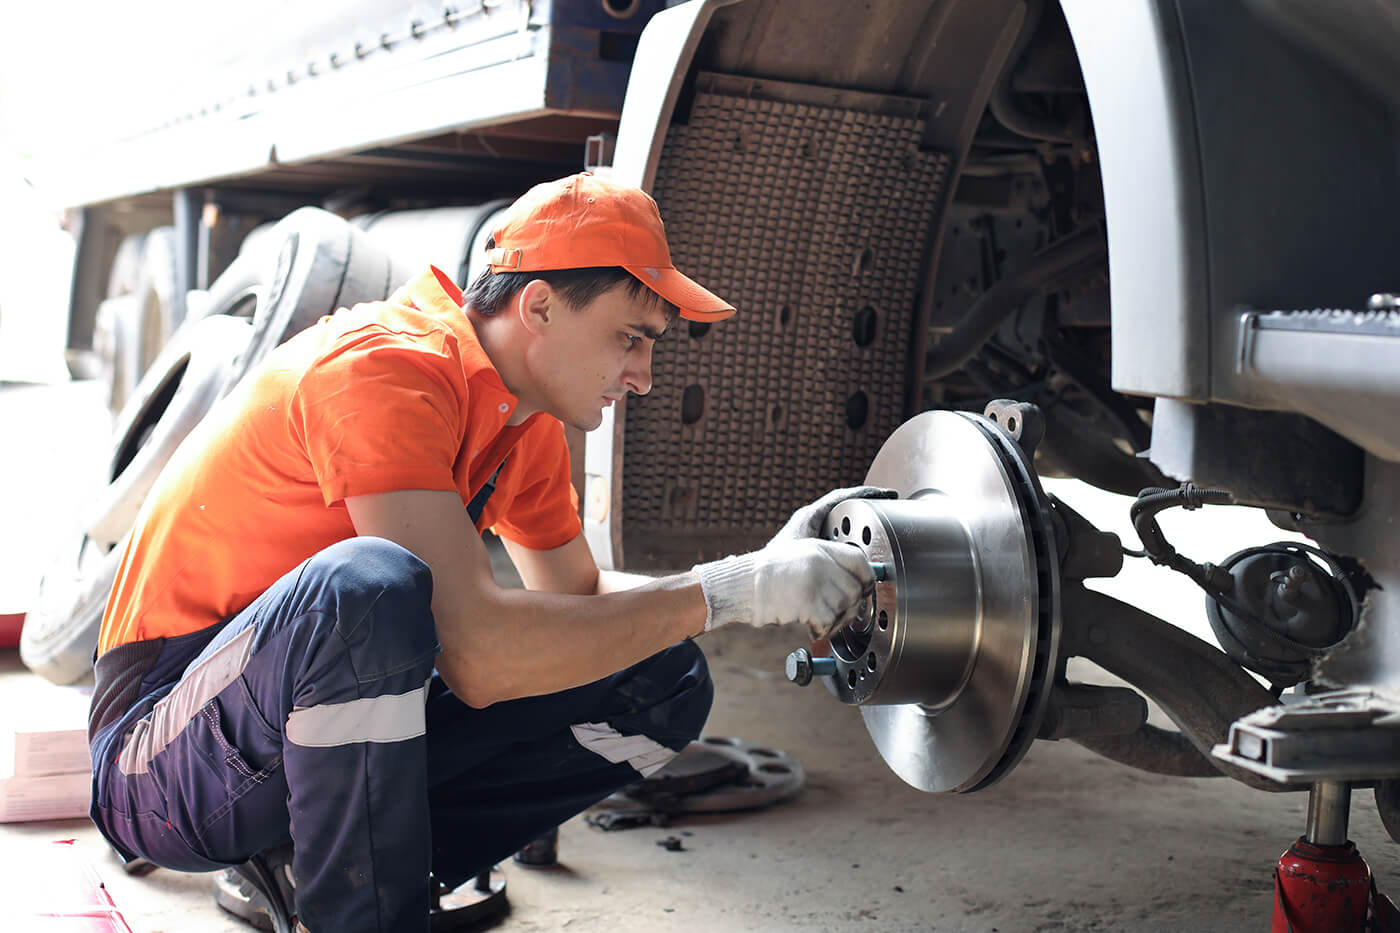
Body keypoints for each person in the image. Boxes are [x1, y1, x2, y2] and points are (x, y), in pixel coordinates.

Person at [86, 173, 883, 932]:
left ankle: (334, 863)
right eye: (629, 338)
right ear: (538, 306)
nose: (642, 375)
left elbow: (578, 602)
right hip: (159, 755)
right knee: (368, 593)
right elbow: (479, 658)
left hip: (273, 724)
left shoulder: (520, 422)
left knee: (661, 675)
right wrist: (730, 591)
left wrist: (757, 574)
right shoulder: (385, 369)